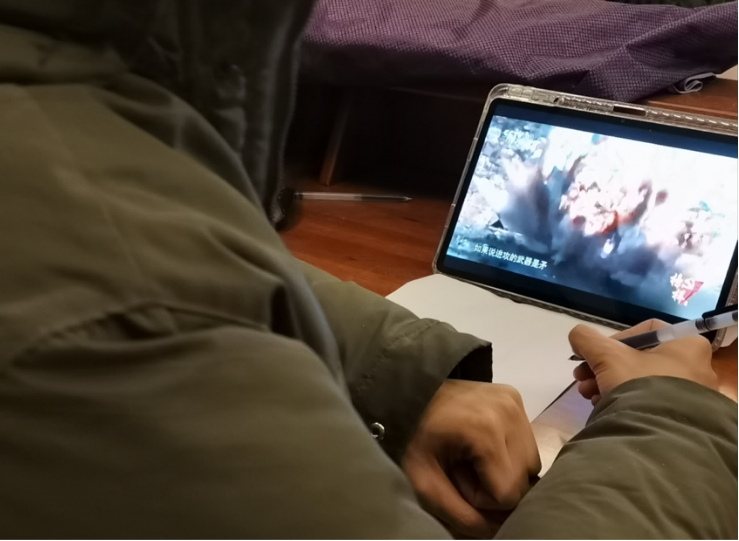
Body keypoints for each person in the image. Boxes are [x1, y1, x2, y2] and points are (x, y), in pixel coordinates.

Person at [0, 1, 735, 538]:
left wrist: (398, 379)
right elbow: (146, 289)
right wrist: (673, 418)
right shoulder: (115, 309)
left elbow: (165, 246)